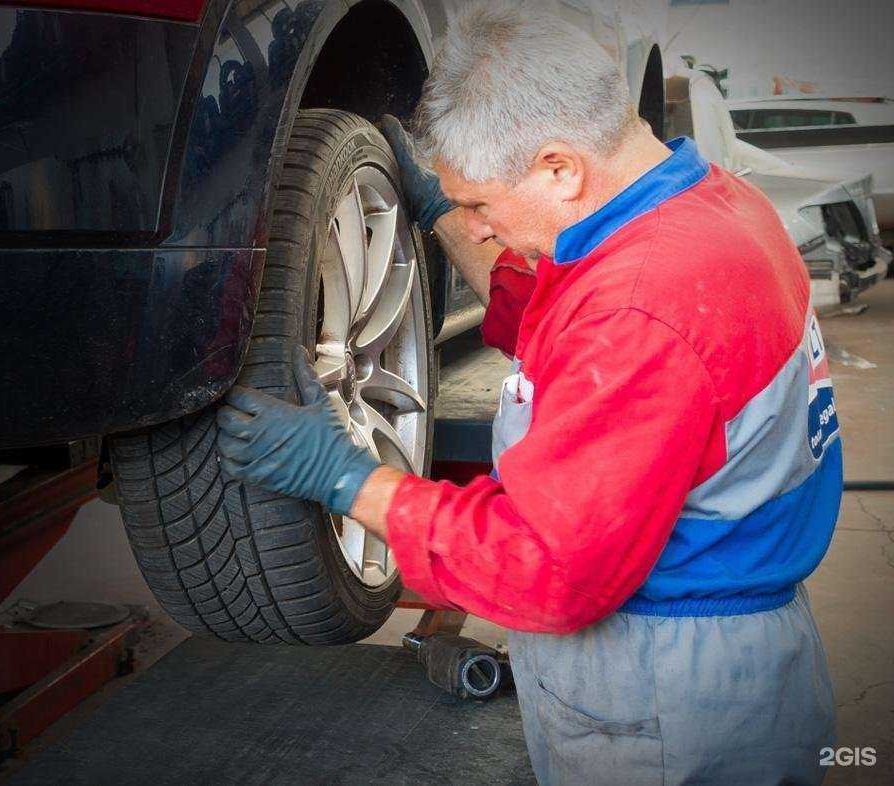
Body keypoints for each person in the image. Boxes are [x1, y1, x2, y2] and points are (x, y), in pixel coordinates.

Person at [214, 6, 839, 784]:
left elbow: (546, 569)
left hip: (667, 698)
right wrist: (443, 212)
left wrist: (348, 480)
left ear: (558, 168)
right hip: (724, 655)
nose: (482, 228)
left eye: (481, 205)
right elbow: (557, 314)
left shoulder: (644, 308)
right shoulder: (710, 206)